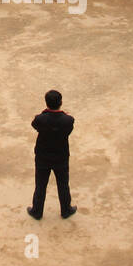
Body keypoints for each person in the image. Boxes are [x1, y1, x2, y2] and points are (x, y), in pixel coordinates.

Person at [28, 89, 77, 220]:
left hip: (43, 156)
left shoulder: (40, 119)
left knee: (40, 184)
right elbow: (68, 129)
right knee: (63, 184)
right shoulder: (68, 120)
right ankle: (66, 209)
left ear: (46, 103)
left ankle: (37, 211)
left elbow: (35, 125)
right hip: (61, 156)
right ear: (61, 102)